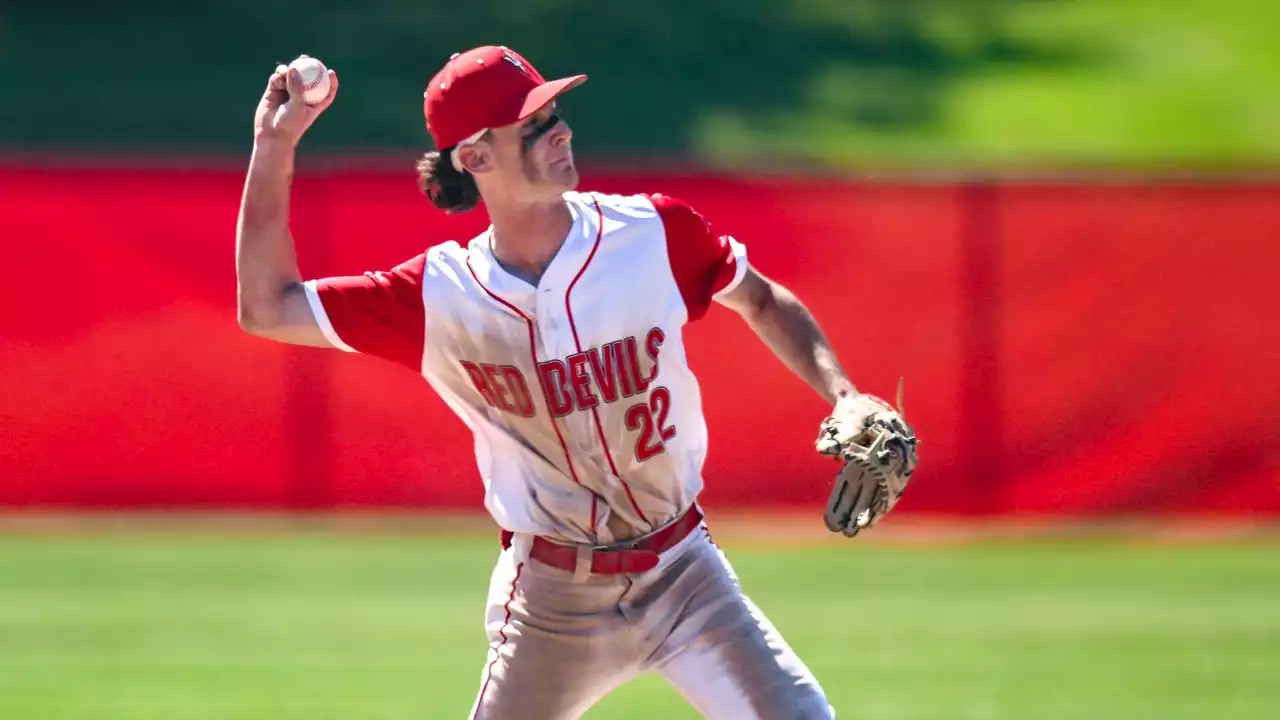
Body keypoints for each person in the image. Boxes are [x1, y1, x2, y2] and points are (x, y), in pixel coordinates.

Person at [237, 45, 889, 720]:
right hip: (552, 601)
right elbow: (267, 306)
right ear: (476, 158)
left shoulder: (650, 232)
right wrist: (274, 142)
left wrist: (844, 391)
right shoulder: (440, 295)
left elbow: (759, 298)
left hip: (687, 573)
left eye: (556, 114)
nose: (562, 132)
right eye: (534, 125)